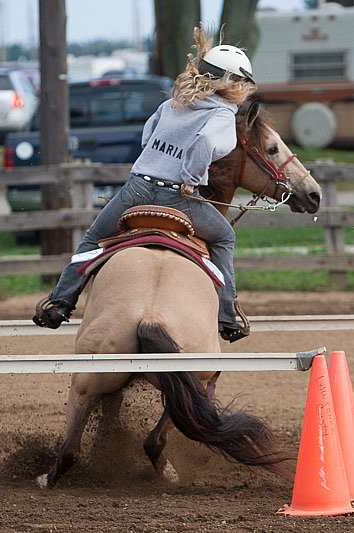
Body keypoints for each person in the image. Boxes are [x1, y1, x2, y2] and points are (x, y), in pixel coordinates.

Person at [33, 27, 256, 342]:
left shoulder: (173, 104)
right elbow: (204, 141)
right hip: (179, 198)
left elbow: (147, 136)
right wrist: (192, 179)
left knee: (94, 238)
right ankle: (228, 315)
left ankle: (60, 301)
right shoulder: (221, 116)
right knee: (224, 238)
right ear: (234, 83)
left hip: (137, 189)